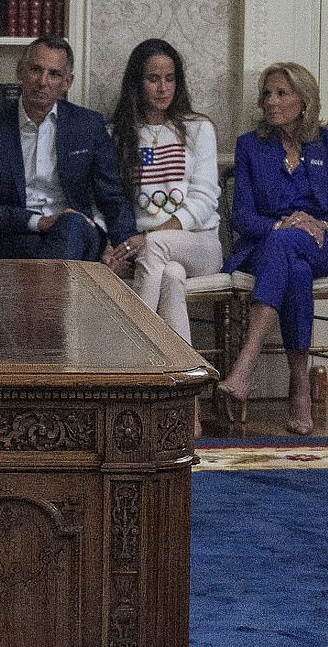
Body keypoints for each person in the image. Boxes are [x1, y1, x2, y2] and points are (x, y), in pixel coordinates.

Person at [219, 62, 328, 435]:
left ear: (304, 100)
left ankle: (244, 364)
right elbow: (243, 217)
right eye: (267, 93)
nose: (271, 102)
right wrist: (283, 224)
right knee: (291, 263)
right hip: (269, 245)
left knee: (290, 245)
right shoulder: (251, 146)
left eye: (281, 93)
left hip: (324, 245)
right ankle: (299, 387)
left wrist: (321, 223)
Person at [106, 39, 222, 436]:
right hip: (153, 256)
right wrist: (118, 244)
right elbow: (106, 199)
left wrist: (150, 236)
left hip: (200, 243)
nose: (162, 88)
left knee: (158, 248)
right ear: (137, 83)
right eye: (153, 78)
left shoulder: (197, 128)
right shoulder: (119, 132)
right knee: (170, 277)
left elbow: (205, 199)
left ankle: (131, 360)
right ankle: (187, 402)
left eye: (170, 78)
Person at [0, 35, 138, 261]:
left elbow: (112, 196)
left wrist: (123, 251)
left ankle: (45, 295)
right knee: (52, 240)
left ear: (67, 82)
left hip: (77, 232)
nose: (43, 81)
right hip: (14, 235)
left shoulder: (88, 126)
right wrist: (40, 222)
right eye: (36, 70)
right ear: (20, 71)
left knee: (71, 225)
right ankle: (53, 296)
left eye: (54, 74)